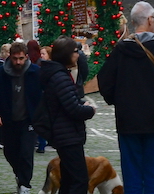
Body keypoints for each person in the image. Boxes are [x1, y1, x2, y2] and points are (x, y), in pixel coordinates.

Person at [97, 1, 154, 194]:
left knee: (132, 178)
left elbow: (105, 81)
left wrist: (119, 100)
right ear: (149, 20)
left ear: (133, 22)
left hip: (128, 121)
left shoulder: (121, 50)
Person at [41, 37, 96, 194]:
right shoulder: (60, 77)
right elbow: (72, 109)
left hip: (65, 133)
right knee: (79, 180)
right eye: (75, 52)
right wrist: (89, 110)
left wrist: (80, 103)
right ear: (66, 54)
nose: (78, 55)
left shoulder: (59, 74)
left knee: (68, 179)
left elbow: (68, 101)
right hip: (67, 135)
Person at [0, 42, 42, 194]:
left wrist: (41, 116)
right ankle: (19, 175)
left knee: (26, 152)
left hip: (29, 120)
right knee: (10, 152)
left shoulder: (36, 72)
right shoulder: (0, 74)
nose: (18, 62)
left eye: (21, 58)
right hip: (8, 121)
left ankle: (25, 184)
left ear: (27, 57)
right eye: (15, 58)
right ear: (9, 57)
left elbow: (44, 94)